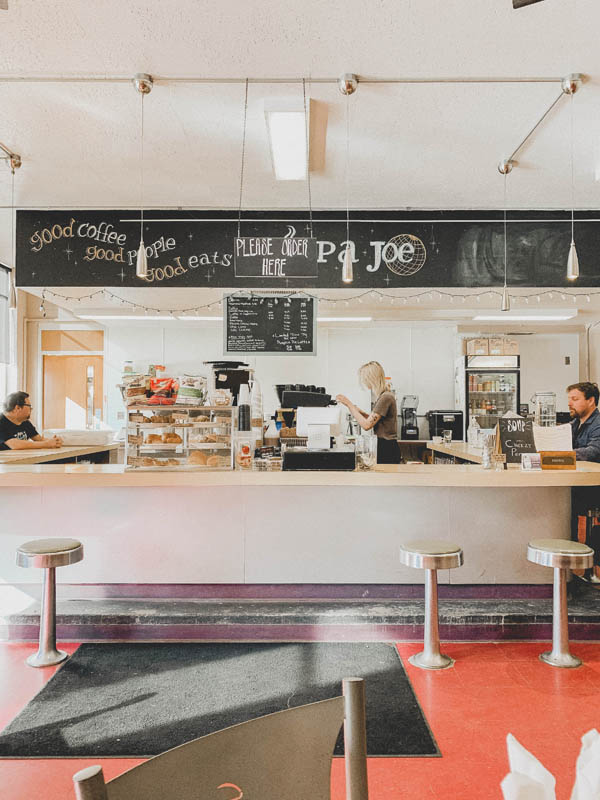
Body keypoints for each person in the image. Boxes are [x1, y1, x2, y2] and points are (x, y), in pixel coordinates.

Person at [336, 361, 401, 464]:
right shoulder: (384, 396)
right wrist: (360, 412)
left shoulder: (385, 397)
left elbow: (366, 425)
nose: (364, 382)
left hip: (386, 447)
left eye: (364, 379)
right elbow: (376, 420)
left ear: (371, 378)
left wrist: (349, 404)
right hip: (385, 445)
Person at [567, 382, 600, 462]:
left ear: (591, 401)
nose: (569, 404)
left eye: (575, 399)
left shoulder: (598, 423)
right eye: (569, 399)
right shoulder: (574, 424)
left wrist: (563, 455)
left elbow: (594, 451)